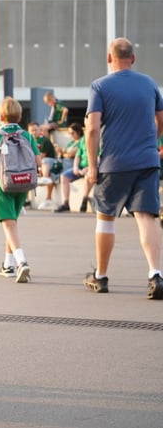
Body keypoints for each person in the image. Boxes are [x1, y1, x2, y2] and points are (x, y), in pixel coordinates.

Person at [82, 37, 163, 300]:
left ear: (109, 58)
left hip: (114, 164)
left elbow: (92, 128)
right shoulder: (149, 84)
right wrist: (151, 143)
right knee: (147, 217)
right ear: (133, 58)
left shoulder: (100, 86)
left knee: (106, 217)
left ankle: (101, 276)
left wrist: (92, 165)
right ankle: (155, 275)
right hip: (147, 161)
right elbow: (160, 119)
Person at [0, 97, 41, 283]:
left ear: (1, 116)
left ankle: (21, 262)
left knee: (8, 224)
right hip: (23, 183)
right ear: (20, 116)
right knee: (12, 223)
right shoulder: (27, 136)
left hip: (3, 185)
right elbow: (38, 161)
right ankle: (8, 265)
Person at [53, 122, 91, 213]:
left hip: (91, 167)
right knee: (64, 176)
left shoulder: (97, 139)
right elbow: (78, 156)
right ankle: (66, 203)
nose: (71, 135)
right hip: (80, 167)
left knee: (88, 176)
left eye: (72, 133)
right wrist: (76, 168)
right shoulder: (83, 140)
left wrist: (89, 168)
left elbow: (99, 157)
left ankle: (85, 200)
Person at [28, 122, 60, 209]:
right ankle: (26, 200)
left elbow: (41, 156)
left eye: (36, 130)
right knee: (26, 172)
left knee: (45, 164)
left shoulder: (44, 140)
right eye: (32, 130)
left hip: (51, 162)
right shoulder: (29, 141)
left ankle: (48, 198)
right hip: (39, 164)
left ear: (40, 130)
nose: (34, 132)